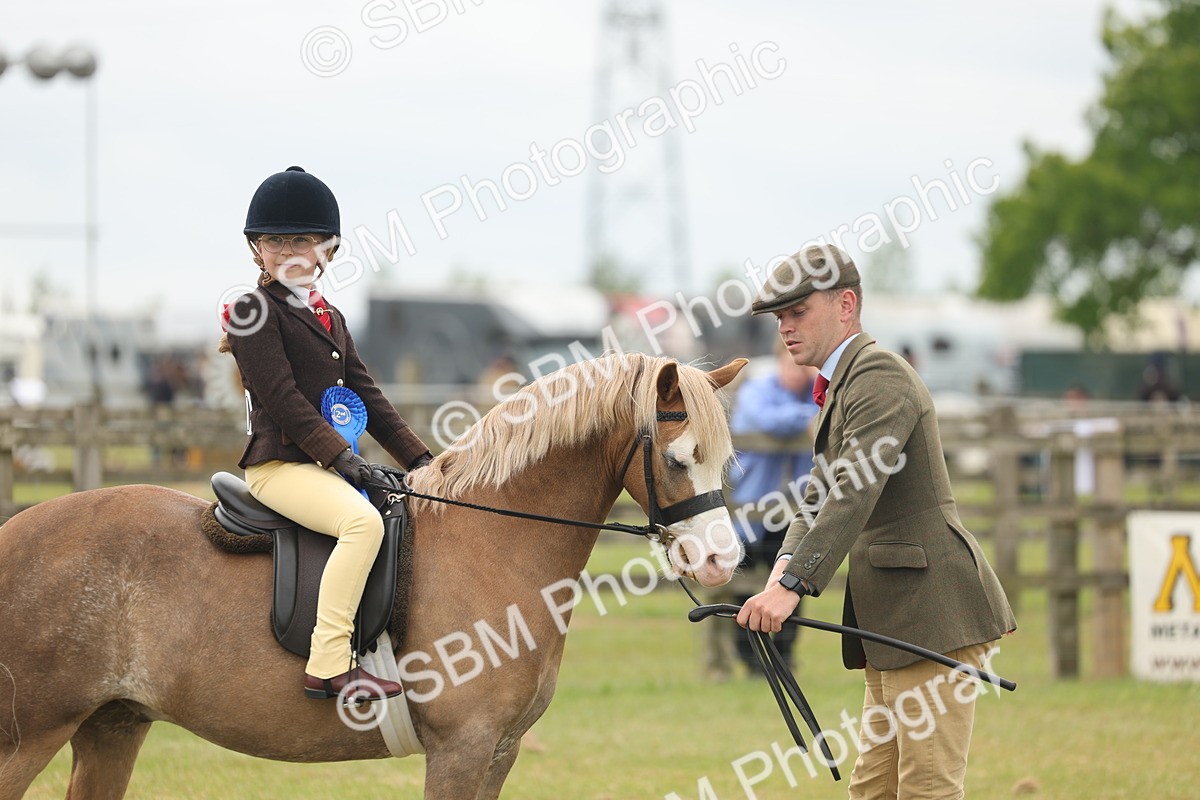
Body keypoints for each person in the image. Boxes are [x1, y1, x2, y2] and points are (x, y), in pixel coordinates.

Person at [737, 244, 1016, 799]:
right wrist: (782, 569)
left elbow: (852, 492)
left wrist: (791, 588)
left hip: (932, 611)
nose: (786, 329)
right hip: (894, 617)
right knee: (874, 791)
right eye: (779, 318)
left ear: (846, 304)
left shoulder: (879, 375)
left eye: (798, 312)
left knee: (926, 789)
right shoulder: (846, 383)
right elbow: (817, 493)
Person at [219, 166, 434, 702]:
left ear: (326, 250)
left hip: (324, 465)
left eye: (302, 240)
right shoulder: (252, 311)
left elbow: (370, 399)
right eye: (275, 240)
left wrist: (427, 463)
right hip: (281, 467)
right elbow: (283, 400)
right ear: (257, 249)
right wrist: (342, 457)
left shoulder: (329, 316)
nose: (288, 250)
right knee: (362, 524)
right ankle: (329, 663)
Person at [723, 343, 819, 676]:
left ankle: (783, 658)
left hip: (794, 513)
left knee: (791, 583)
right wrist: (809, 418)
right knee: (744, 585)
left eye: (802, 365)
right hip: (751, 509)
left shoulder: (815, 393)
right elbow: (763, 419)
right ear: (778, 363)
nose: (797, 371)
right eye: (790, 364)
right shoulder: (757, 391)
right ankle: (750, 660)